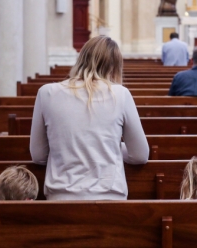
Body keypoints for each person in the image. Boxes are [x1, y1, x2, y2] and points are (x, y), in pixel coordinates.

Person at [30, 36, 149, 200]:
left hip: (61, 198)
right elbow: (140, 155)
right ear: (114, 67)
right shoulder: (120, 94)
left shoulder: (47, 93)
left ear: (81, 58)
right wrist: (107, 145)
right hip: (109, 197)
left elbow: (38, 155)